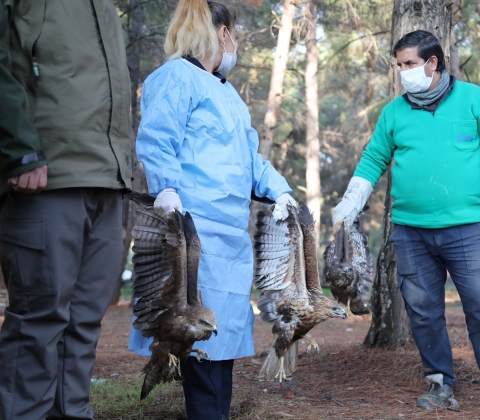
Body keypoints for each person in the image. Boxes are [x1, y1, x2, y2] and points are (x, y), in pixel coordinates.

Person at [0, 1, 132, 419]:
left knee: (83, 325)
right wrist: (19, 146)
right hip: (42, 170)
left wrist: (121, 168)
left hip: (104, 174)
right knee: (40, 322)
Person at [332, 30, 480, 413]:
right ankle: (440, 383)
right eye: (400, 65)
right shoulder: (394, 112)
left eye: (409, 64)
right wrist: (351, 200)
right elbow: (374, 158)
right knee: (424, 312)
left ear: (432, 62)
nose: (403, 72)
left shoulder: (474, 99)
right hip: (410, 231)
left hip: (466, 230)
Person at [128, 1, 295, 418]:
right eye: (234, 34)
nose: (234, 43)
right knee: (195, 339)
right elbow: (157, 138)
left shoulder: (226, 93)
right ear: (222, 33)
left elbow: (251, 159)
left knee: (222, 342)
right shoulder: (174, 78)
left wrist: (280, 190)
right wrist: (165, 189)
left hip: (230, 235)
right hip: (194, 230)